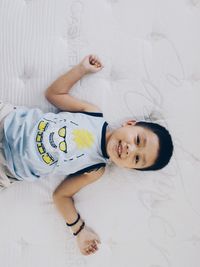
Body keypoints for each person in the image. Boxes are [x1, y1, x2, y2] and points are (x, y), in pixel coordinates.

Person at [0, 55, 173, 255]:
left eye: (136, 159)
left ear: (129, 168)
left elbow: (61, 195)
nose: (129, 150)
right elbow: (54, 94)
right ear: (130, 124)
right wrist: (81, 70)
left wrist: (79, 230)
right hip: (9, 122)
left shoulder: (95, 170)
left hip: (9, 168)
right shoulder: (92, 114)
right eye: (137, 140)